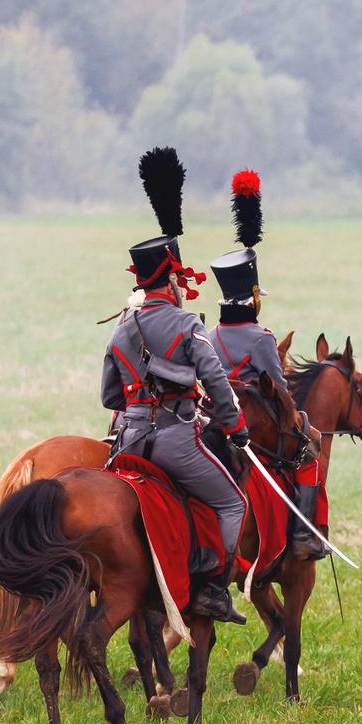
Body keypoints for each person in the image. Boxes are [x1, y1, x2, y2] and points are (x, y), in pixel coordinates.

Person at [101, 147, 248, 624]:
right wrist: (234, 427)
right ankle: (211, 589)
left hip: (129, 443)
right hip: (176, 441)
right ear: (172, 281)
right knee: (232, 502)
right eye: (181, 279)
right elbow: (217, 383)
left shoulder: (122, 329)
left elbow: (108, 395)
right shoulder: (187, 325)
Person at [209, 170, 327, 563]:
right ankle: (305, 535)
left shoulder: (209, 335)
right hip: (256, 423)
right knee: (309, 442)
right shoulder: (262, 338)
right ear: (254, 299)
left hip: (215, 417)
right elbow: (279, 390)